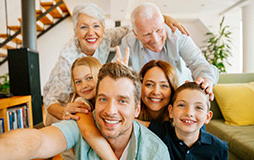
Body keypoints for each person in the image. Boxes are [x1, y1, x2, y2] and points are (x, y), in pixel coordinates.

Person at [43, 3, 190, 125]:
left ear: (103, 28)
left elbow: (136, 27)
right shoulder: (67, 59)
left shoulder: (106, 37)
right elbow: (50, 100)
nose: (91, 32)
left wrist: (162, 19)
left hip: (90, 98)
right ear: (75, 31)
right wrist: (64, 112)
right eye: (83, 27)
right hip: (63, 108)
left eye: (96, 26)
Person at [0, 62, 170, 160]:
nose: (110, 110)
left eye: (122, 101)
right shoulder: (84, 122)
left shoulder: (155, 152)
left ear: (137, 109)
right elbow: (38, 141)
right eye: (103, 99)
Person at [119, 2, 219, 101]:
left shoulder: (179, 36)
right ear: (136, 34)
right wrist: (119, 72)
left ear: (164, 23)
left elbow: (200, 64)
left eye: (159, 30)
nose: (155, 40)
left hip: (179, 98)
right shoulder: (129, 41)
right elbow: (115, 68)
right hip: (149, 101)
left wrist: (206, 79)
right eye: (147, 34)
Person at [148, 82, 228, 160]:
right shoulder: (161, 134)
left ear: (207, 117)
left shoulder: (219, 148)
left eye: (198, 108)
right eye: (182, 105)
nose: (189, 113)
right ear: (171, 111)